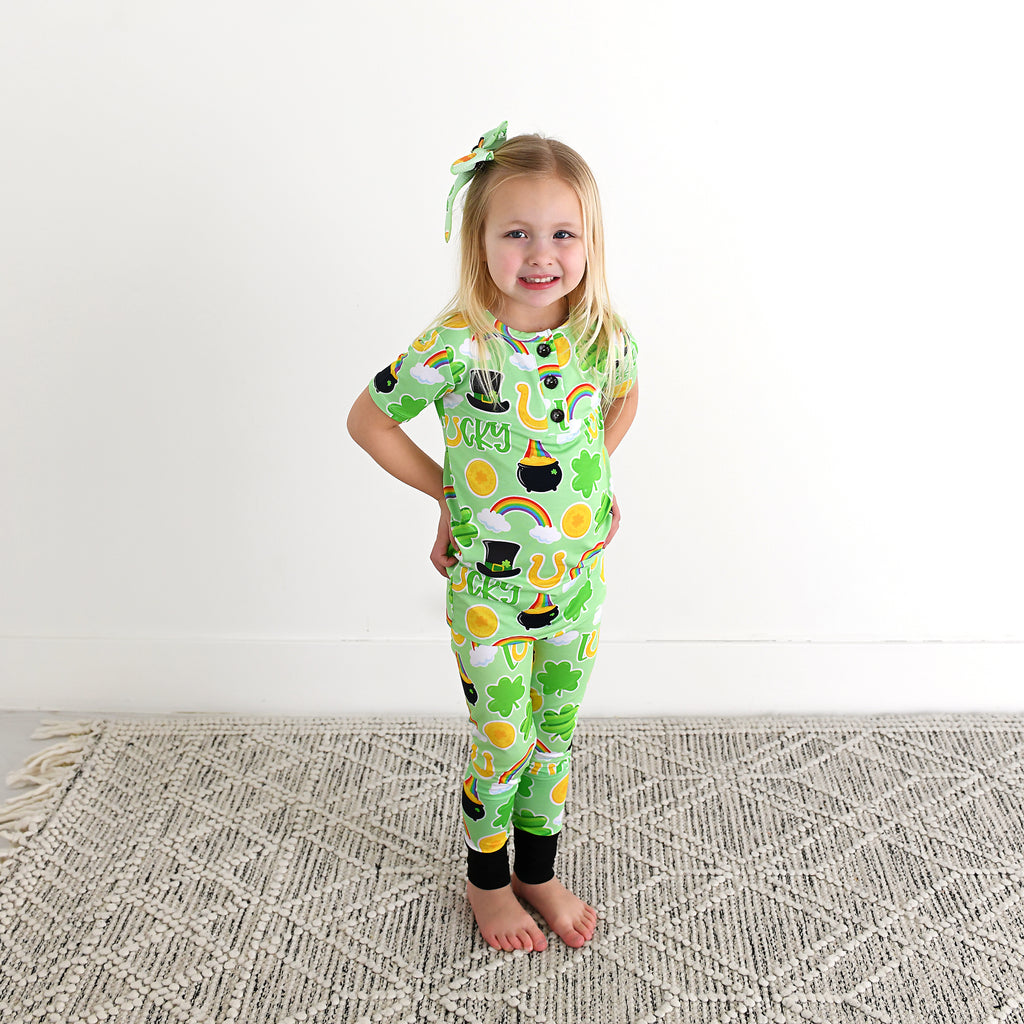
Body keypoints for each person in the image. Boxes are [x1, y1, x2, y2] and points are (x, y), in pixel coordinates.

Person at [348, 122, 639, 953]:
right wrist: (447, 495)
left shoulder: (601, 337)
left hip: (576, 586)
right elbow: (369, 421)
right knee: (504, 740)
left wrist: (596, 476)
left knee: (554, 739)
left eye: (563, 234)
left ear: (590, 241)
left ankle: (537, 870)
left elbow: (623, 397)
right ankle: (486, 881)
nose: (541, 254)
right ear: (479, 242)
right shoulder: (457, 345)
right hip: (490, 591)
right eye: (517, 233)